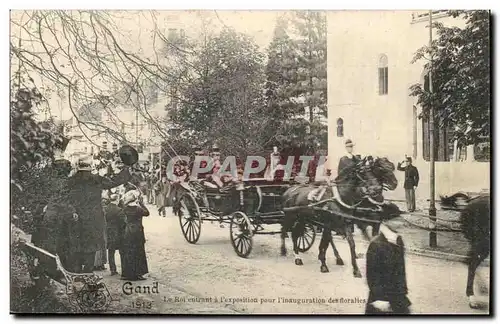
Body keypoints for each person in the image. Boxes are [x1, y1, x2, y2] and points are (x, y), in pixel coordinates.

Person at [65, 154, 131, 273]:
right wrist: (126, 168)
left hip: (75, 221)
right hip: (94, 221)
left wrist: (72, 211)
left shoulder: (70, 181)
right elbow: (115, 181)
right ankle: (89, 278)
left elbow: (64, 199)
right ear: (90, 166)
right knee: (91, 249)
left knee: (76, 250)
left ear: (78, 166)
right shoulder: (96, 179)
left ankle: (77, 277)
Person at [365, 217, 411, 314]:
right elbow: (372, 275)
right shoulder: (376, 244)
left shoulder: (398, 240)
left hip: (398, 297)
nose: (400, 222)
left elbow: (401, 271)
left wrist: (403, 292)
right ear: (386, 221)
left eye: (400, 218)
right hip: (381, 300)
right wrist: (379, 299)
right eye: (395, 219)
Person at [120, 190, 150, 281]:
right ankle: (138, 273)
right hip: (138, 232)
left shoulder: (125, 209)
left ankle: (128, 274)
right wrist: (141, 203)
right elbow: (147, 213)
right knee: (139, 252)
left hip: (128, 232)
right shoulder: (138, 209)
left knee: (129, 252)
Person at [104, 194, 126, 276]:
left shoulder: (106, 209)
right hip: (118, 233)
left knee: (111, 252)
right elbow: (122, 223)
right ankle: (124, 268)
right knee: (122, 251)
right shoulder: (119, 210)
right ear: (117, 200)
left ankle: (112, 269)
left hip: (109, 232)